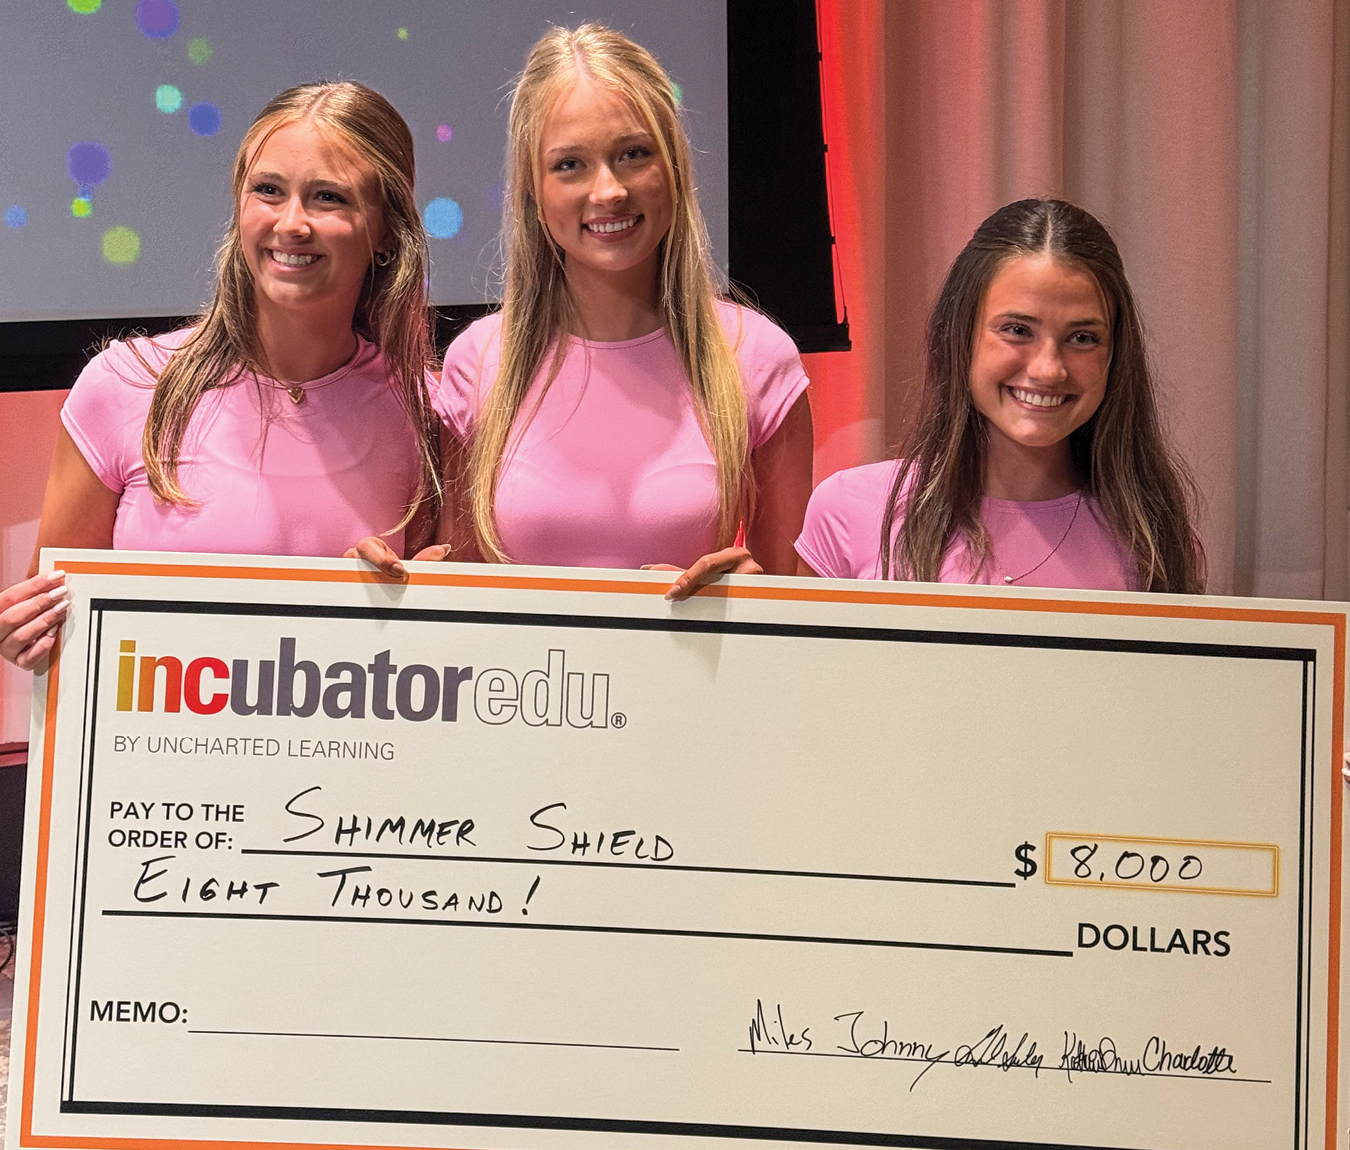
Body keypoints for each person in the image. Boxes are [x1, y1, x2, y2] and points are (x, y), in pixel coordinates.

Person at [355, 23, 813, 599]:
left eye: (634, 154)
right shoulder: (479, 361)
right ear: (533, 188)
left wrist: (752, 595)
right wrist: (385, 583)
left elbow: (793, 615)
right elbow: (463, 593)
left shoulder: (758, 358)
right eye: (570, 164)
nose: (609, 191)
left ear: (673, 166)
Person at [0, 81, 440, 669]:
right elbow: (58, 641)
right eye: (268, 190)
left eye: (328, 198)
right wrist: (26, 636)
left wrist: (408, 606)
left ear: (386, 229)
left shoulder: (425, 411)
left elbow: (443, 654)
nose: (291, 223)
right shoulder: (124, 387)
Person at [795, 198, 1204, 593]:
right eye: (1018, 330)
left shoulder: (1154, 540)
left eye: (1082, 338)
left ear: (1116, 354)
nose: (1048, 369)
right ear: (960, 334)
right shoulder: (847, 512)